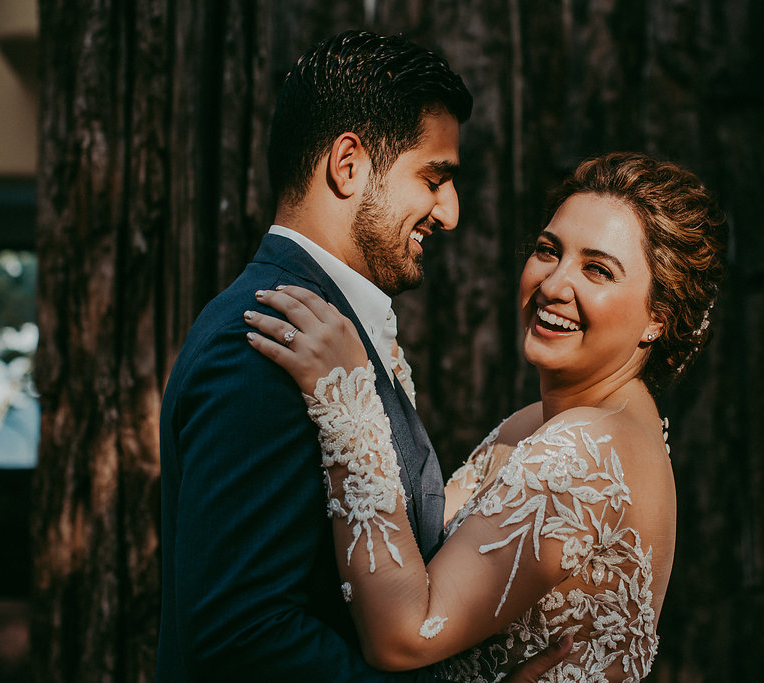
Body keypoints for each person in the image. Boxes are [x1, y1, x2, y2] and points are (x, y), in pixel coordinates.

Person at [157, 30, 566, 682]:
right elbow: (240, 633)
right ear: (348, 165)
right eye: (435, 177)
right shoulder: (262, 346)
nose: (450, 212)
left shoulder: (320, 335)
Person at [244, 151, 727, 681]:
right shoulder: (535, 425)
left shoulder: (590, 448)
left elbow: (404, 635)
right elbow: (420, 551)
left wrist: (346, 402)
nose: (553, 285)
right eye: (548, 251)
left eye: (597, 269)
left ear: (657, 317)